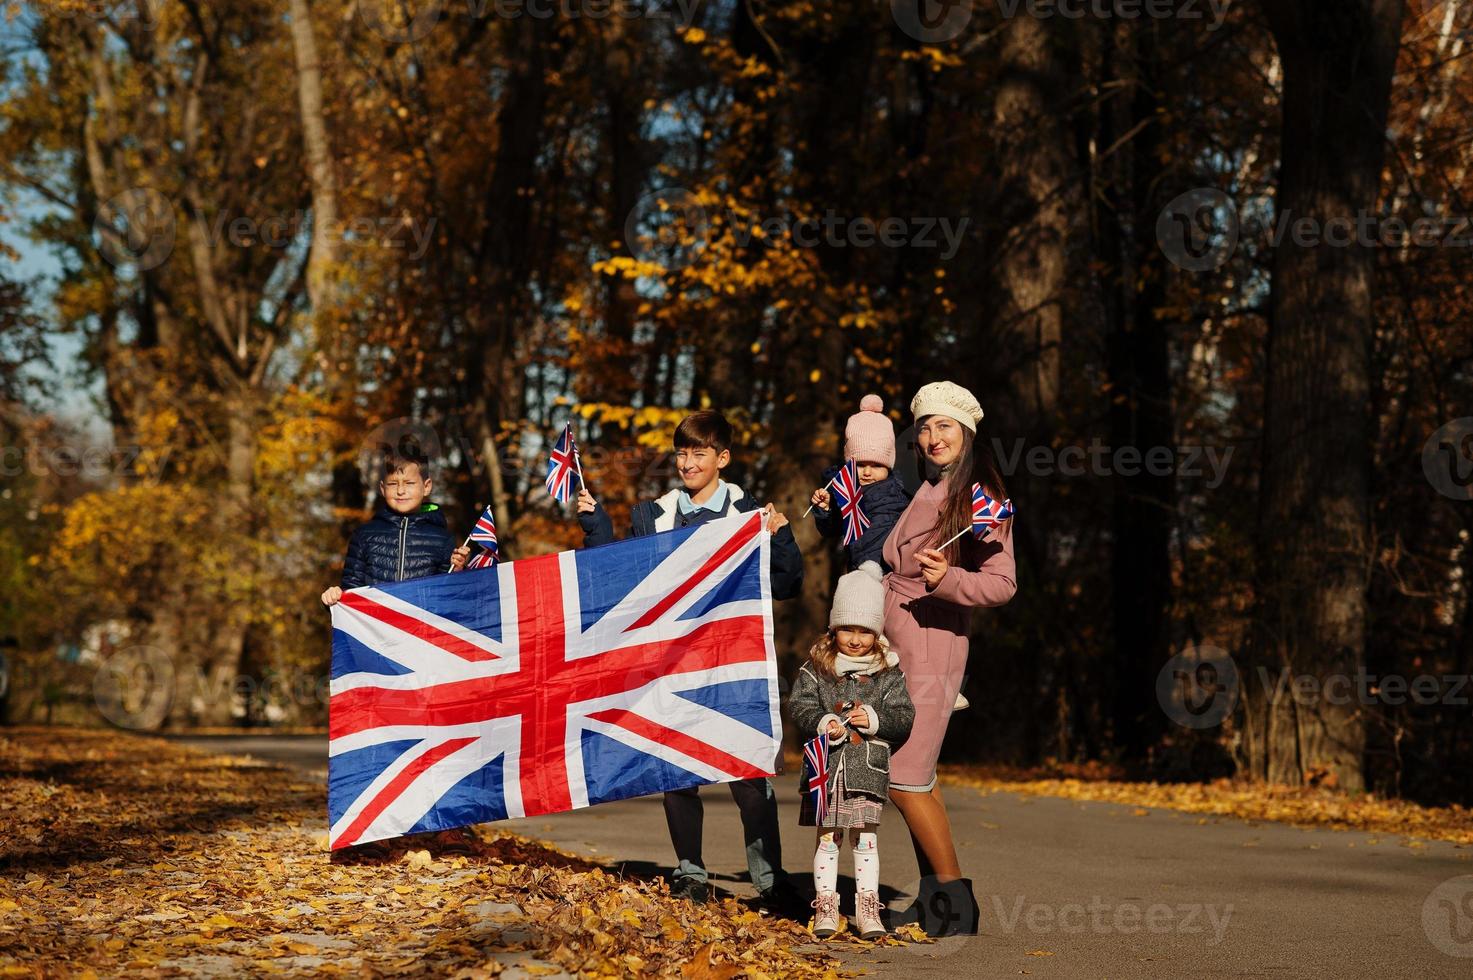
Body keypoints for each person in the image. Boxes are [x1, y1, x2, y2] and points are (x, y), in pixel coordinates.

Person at [576, 410, 804, 914]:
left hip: (731, 665)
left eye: (699, 453)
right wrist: (597, 527)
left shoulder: (747, 514)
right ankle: (690, 873)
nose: (687, 462)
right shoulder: (652, 516)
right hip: (672, 665)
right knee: (678, 773)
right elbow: (621, 584)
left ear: (722, 458)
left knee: (748, 774)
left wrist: (780, 536)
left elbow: (786, 585)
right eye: (681, 452)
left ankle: (770, 880)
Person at [882, 381, 1016, 936]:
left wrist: (949, 579)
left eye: (945, 427)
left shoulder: (977, 497)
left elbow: (1004, 583)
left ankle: (958, 904)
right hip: (896, 644)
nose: (933, 438)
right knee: (918, 776)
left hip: (934, 643)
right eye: (925, 428)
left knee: (903, 774)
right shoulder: (925, 489)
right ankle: (933, 897)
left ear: (966, 433)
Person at [788, 562, 914, 940]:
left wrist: (874, 718)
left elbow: (903, 716)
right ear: (834, 628)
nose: (856, 639)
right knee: (828, 837)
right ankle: (826, 904)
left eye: (865, 631)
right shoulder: (817, 668)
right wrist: (821, 720)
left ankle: (867, 907)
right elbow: (800, 705)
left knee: (866, 838)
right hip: (825, 772)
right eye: (848, 629)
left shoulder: (888, 672)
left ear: (876, 633)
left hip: (866, 772)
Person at [321, 446, 469, 606]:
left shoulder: (443, 540)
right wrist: (334, 599)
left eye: (409, 483)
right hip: (375, 629)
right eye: (392, 484)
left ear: (426, 487)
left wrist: (457, 572)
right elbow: (350, 596)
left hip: (420, 630)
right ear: (382, 489)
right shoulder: (364, 535)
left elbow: (450, 600)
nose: (400, 490)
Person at [809, 394, 910, 574]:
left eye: (877, 465)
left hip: (886, 571)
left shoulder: (897, 495)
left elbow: (891, 535)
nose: (868, 472)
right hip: (857, 569)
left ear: (889, 466)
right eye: (861, 465)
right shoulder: (846, 491)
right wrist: (825, 509)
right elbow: (832, 530)